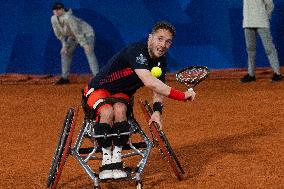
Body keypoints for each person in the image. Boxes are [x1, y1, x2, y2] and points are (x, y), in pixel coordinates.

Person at [82, 21, 196, 180]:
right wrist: (182, 96)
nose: (163, 45)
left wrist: (157, 111)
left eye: (168, 41)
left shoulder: (160, 62)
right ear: (150, 38)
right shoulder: (136, 51)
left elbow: (158, 89)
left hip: (122, 94)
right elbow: (150, 82)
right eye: (160, 39)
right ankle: (106, 161)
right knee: (107, 111)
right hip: (98, 89)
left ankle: (116, 159)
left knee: (120, 110)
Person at [51, 2, 99, 84]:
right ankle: (65, 78)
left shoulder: (69, 18)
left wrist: (85, 45)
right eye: (55, 9)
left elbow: (78, 32)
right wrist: (64, 45)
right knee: (65, 53)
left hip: (86, 33)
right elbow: (58, 34)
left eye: (59, 9)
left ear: (63, 9)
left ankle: (97, 78)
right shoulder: (53, 19)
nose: (57, 11)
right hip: (73, 36)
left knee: (89, 52)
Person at [241, 0, 282, 83]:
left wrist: (265, 17)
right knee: (250, 50)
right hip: (248, 22)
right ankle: (251, 74)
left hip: (261, 22)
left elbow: (270, 5)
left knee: (269, 48)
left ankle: (277, 73)